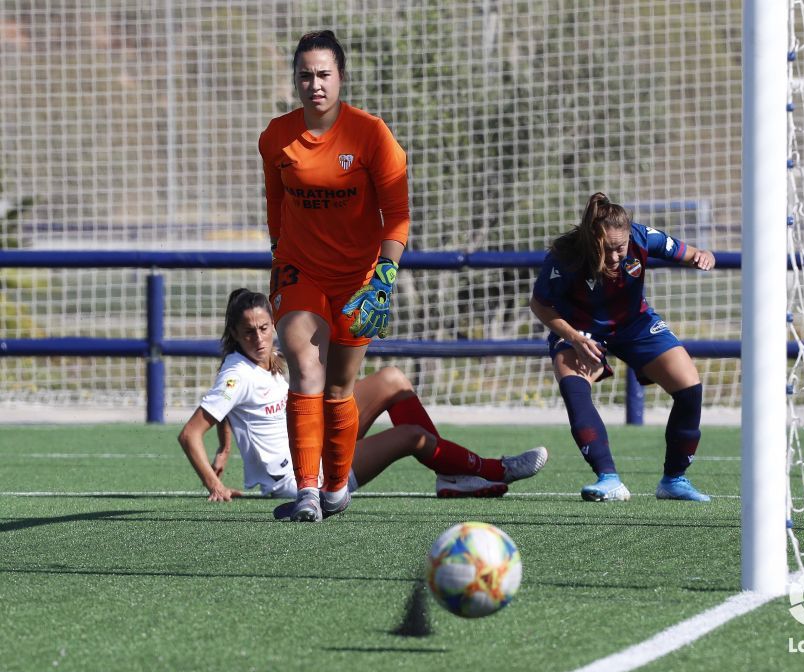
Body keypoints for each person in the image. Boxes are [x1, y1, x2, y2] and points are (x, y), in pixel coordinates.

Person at [177, 289, 548, 513]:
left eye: (264, 328)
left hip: (317, 443)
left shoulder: (258, 361)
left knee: (393, 380)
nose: (259, 337)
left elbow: (231, 410)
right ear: (234, 334)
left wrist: (226, 448)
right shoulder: (237, 372)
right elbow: (190, 433)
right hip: (304, 478)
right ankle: (492, 470)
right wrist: (215, 485)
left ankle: (450, 473)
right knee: (411, 437)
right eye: (248, 332)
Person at [258, 30, 410, 521]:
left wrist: (382, 278)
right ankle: (306, 491)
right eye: (305, 75)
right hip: (301, 271)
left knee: (340, 389)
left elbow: (399, 215)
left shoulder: (372, 135)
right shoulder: (275, 137)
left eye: (324, 74)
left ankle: (337, 485)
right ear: (295, 80)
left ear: (341, 77)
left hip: (361, 281)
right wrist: (279, 252)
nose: (314, 84)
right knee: (305, 367)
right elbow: (275, 202)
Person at [529, 192, 715, 503]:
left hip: (634, 324)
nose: (616, 257)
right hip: (580, 328)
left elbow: (689, 252)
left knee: (690, 387)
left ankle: (674, 480)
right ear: (591, 241)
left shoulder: (642, 238)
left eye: (621, 248)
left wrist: (703, 255)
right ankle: (609, 479)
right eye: (607, 249)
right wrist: (574, 337)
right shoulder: (566, 256)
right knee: (574, 386)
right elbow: (539, 305)